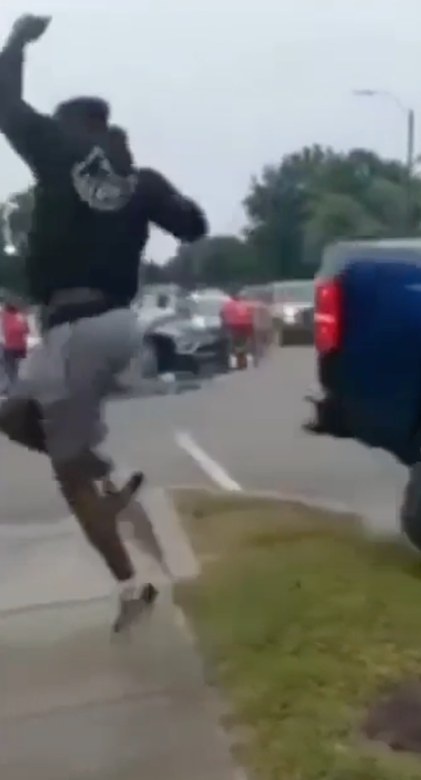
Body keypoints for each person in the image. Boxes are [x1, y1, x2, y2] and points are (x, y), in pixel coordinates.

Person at [0, 14, 209, 633]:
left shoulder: (60, 149)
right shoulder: (137, 180)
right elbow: (193, 225)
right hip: (113, 322)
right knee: (13, 413)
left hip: (75, 327)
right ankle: (107, 476)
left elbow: (7, 106)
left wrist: (15, 44)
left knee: (68, 478)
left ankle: (132, 585)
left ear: (72, 124)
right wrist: (164, 198)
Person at [220, 292, 255, 369]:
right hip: (244, 326)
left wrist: (224, 325)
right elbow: (249, 315)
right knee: (242, 344)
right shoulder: (244, 304)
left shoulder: (227, 305)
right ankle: (243, 362)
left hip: (233, 327)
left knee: (235, 345)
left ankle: (238, 362)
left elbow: (222, 315)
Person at [0, 301, 27, 390]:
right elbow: (26, 330)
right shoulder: (20, 316)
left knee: (9, 369)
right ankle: (19, 386)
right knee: (19, 368)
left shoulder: (3, 316)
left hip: (9, 347)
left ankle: (11, 387)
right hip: (21, 347)